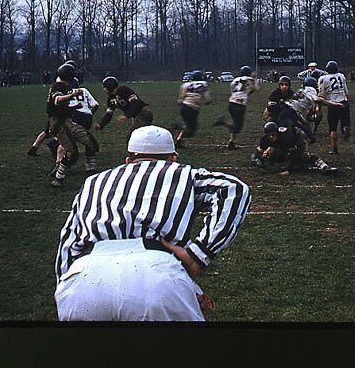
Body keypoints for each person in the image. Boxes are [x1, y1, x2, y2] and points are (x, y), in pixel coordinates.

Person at [54, 125, 250, 321]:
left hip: (86, 278)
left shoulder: (93, 182)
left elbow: (68, 241)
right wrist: (199, 254)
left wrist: (65, 285)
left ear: (129, 160)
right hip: (156, 275)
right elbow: (234, 190)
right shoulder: (183, 173)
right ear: (173, 158)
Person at [47, 63, 100, 187]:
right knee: (73, 152)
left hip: (68, 121)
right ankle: (58, 177)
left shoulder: (65, 86)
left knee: (91, 143)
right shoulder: (57, 86)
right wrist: (72, 95)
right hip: (59, 123)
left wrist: (75, 106)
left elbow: (63, 106)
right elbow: (57, 100)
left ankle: (90, 169)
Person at [250, 121, 337, 176]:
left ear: (277, 132)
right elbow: (259, 150)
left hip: (299, 137)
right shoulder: (265, 139)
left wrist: (289, 170)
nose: (272, 137)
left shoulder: (287, 138)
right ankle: (284, 161)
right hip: (285, 144)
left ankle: (323, 166)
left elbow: (297, 151)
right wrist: (259, 157)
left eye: (273, 134)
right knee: (273, 156)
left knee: (304, 156)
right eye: (269, 135)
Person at [214, 65, 261, 150]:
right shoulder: (249, 79)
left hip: (231, 103)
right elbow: (256, 88)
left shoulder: (235, 79)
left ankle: (231, 143)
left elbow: (233, 90)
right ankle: (223, 122)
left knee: (235, 123)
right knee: (237, 127)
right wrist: (255, 78)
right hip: (240, 105)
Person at [317, 60, 351, 154]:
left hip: (333, 104)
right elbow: (346, 91)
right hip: (344, 102)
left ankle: (334, 148)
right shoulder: (341, 76)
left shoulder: (323, 78)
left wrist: (319, 106)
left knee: (333, 128)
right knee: (344, 122)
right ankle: (345, 129)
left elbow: (321, 94)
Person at [175, 70, 212, 148]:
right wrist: (205, 102)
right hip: (192, 108)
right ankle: (178, 129)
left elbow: (181, 98)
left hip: (183, 106)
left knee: (189, 126)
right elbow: (208, 99)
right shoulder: (204, 84)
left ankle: (179, 140)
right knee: (192, 130)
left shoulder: (185, 84)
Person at [297, 62, 327, 132]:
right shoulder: (307, 76)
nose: (312, 68)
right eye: (311, 66)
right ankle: (309, 126)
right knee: (311, 110)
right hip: (309, 98)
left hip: (314, 98)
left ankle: (312, 126)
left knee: (316, 111)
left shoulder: (319, 73)